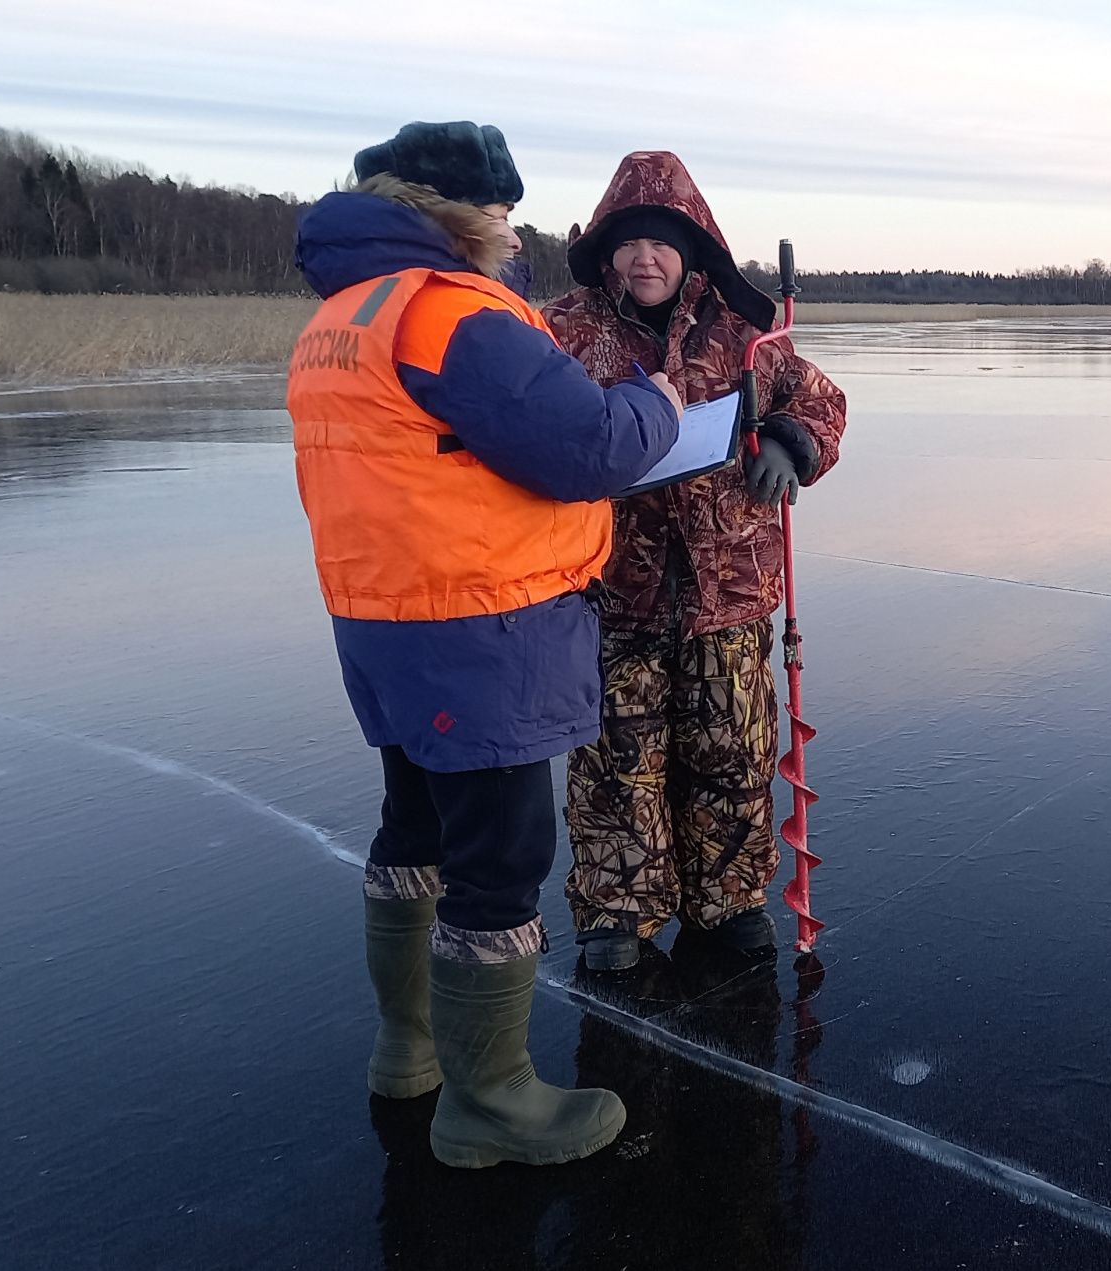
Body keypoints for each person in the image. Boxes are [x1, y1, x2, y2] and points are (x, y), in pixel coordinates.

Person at [286, 121, 682, 1167]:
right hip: (476, 620)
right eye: (501, 214)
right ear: (458, 211)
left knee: (412, 824)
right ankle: (489, 1098)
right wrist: (655, 401)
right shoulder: (448, 311)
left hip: (382, 615)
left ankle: (407, 1050)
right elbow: (587, 447)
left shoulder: (344, 312)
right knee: (501, 855)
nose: (511, 237)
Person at [545, 151, 847, 972]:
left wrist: (793, 442)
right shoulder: (565, 331)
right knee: (617, 761)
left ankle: (731, 902)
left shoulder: (744, 333)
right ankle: (619, 911)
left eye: (664, 243)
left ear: (693, 248)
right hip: (614, 589)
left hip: (733, 588)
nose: (646, 258)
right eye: (630, 242)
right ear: (605, 250)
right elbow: (528, 423)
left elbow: (820, 399)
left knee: (734, 753)